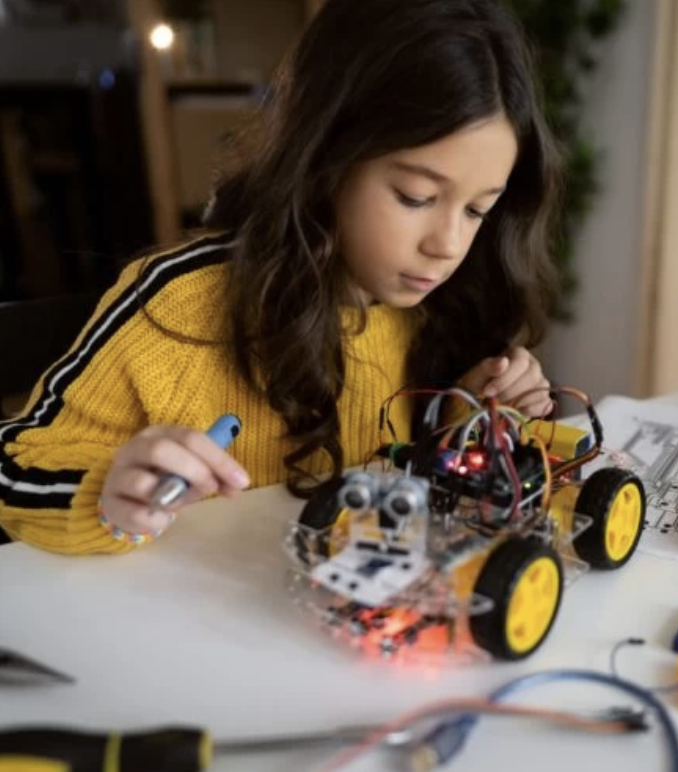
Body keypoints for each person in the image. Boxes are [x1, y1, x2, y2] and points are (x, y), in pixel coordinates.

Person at [0, 0, 561, 555]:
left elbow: (412, 490)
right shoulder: (177, 305)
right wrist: (109, 494)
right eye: (415, 196)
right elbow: (14, 467)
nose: (448, 246)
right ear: (325, 155)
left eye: (477, 210)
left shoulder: (443, 310)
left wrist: (476, 408)